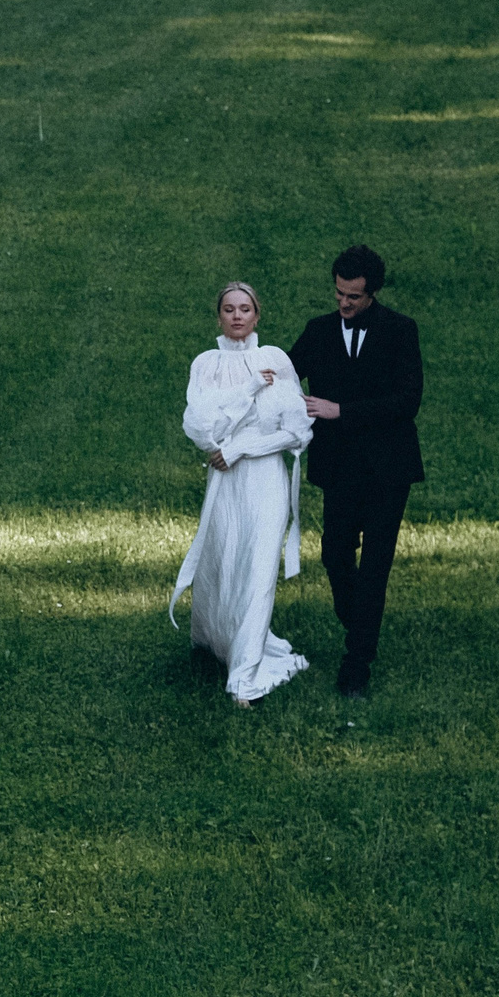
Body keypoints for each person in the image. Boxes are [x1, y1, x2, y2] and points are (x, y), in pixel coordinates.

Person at [169, 281, 314, 707]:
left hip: (264, 477)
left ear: (257, 315)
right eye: (229, 309)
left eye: (245, 309)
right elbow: (200, 425)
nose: (237, 316)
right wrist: (246, 394)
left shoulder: (275, 361)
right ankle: (217, 638)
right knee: (223, 558)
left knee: (258, 566)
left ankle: (244, 672)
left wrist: (242, 447)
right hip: (226, 481)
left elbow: (297, 432)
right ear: (219, 316)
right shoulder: (206, 364)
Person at [289, 244, 424, 699]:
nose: (343, 303)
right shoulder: (318, 331)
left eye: (353, 297)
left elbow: (407, 403)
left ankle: (357, 661)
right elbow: (286, 378)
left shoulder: (401, 332)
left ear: (373, 294)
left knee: (375, 568)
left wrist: (339, 410)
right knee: (334, 556)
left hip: (388, 469)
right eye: (339, 293)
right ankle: (362, 621)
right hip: (340, 469)